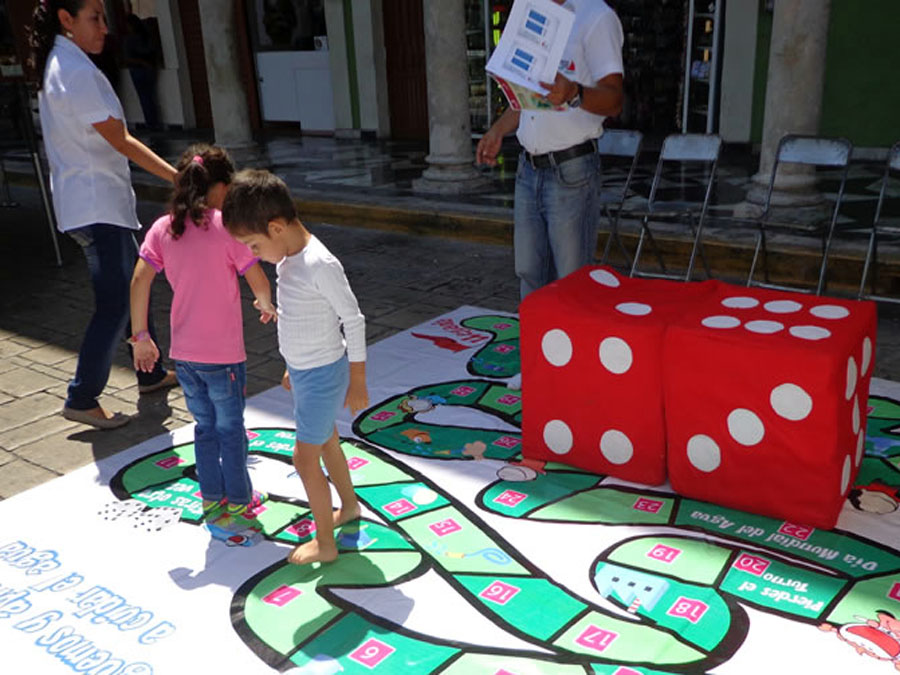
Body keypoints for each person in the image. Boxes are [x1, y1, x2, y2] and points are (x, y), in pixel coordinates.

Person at [29, 0, 179, 430]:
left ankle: (148, 372)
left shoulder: (65, 63)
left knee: (139, 280)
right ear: (65, 19)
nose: (104, 27)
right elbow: (121, 139)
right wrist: (178, 176)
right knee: (115, 303)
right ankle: (82, 395)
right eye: (94, 17)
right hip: (96, 206)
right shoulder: (73, 70)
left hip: (95, 202)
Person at [222, 169, 368, 565]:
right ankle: (349, 507)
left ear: (276, 227)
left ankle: (325, 543)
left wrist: (357, 380)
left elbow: (352, 320)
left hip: (324, 374)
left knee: (305, 459)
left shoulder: (319, 263)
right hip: (307, 372)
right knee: (326, 443)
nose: (254, 255)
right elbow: (302, 316)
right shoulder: (288, 258)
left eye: (254, 245)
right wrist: (291, 363)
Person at [130, 145, 276, 518]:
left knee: (204, 427)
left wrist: (142, 337)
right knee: (230, 429)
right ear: (220, 187)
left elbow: (139, 280)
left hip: (185, 356)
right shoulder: (225, 227)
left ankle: (211, 496)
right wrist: (264, 302)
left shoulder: (164, 228)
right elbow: (255, 275)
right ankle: (241, 499)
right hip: (223, 355)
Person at [476, 0, 624, 301]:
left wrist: (575, 93)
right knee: (530, 274)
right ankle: (534, 347)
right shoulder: (535, 13)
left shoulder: (596, 17)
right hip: (528, 169)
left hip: (571, 170)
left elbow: (615, 100)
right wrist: (498, 130)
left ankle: (571, 348)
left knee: (571, 284)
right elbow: (530, 96)